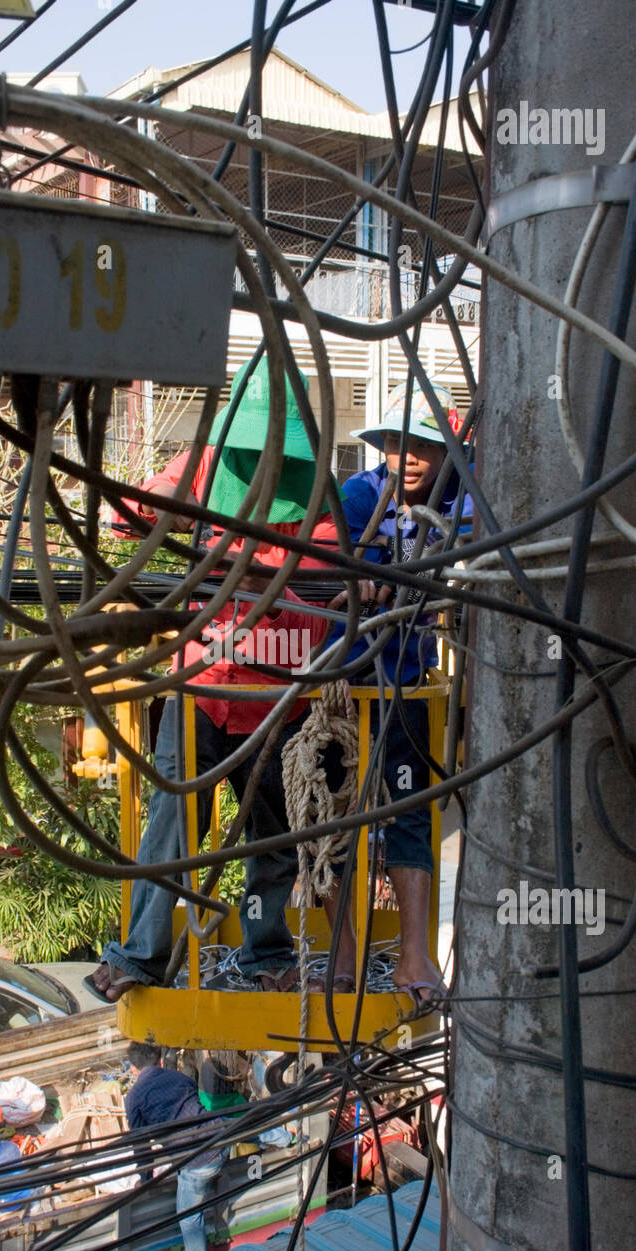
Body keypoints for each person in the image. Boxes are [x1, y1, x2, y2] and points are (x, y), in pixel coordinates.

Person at [89, 359, 340, 1002]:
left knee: (274, 841)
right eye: (248, 451)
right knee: (171, 823)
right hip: (198, 688)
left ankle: (267, 954)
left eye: (271, 452)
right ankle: (139, 954)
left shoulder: (317, 493)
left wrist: (260, 578)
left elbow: (323, 578)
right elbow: (134, 516)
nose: (258, 465)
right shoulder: (202, 469)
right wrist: (150, 517)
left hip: (275, 701)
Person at [322, 383, 471, 1008]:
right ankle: (342, 953)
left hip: (408, 685)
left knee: (411, 815)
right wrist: (379, 572)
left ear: (444, 455)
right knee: (335, 821)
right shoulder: (356, 495)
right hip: (344, 683)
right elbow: (350, 571)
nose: (404, 456)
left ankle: (415, 953)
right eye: (392, 443)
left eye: (421, 446)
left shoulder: (460, 504)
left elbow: (462, 562)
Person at [123, 1041, 228, 1251]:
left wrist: (146, 1180)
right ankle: (286, 1137)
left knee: (189, 1220)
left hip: (198, 1164)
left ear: (133, 1068)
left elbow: (142, 1148)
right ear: (160, 1060)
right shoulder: (179, 1078)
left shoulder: (133, 1098)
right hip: (221, 1141)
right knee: (241, 1121)